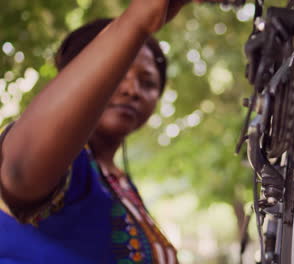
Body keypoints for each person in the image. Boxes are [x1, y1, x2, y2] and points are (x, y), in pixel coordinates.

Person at [0, 0, 199, 263]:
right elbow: (19, 170)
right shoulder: (72, 166)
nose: (132, 90)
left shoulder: (122, 184)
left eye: (148, 82)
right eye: (117, 76)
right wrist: (137, 21)